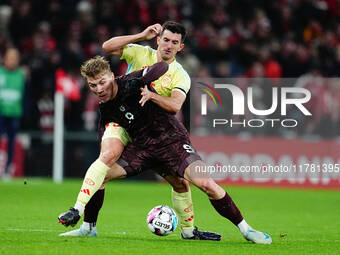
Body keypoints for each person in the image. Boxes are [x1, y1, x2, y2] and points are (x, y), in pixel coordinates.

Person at [58, 56, 272, 244]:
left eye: (102, 82)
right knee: (101, 175)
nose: (98, 89)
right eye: (93, 85)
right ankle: (88, 228)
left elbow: (162, 67)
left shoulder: (131, 83)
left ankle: (245, 230)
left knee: (204, 184)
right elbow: (104, 130)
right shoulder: (105, 106)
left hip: (171, 143)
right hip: (142, 150)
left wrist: (144, 76)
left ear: (112, 76)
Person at [60, 21, 220, 240]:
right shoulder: (140, 51)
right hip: (121, 119)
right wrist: (141, 34)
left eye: (174, 42)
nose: (169, 45)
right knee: (106, 158)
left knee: (180, 182)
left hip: (152, 130)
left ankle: (189, 231)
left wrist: (153, 96)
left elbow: (174, 107)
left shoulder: (180, 74)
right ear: (158, 40)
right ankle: (85, 222)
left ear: (180, 47)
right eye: (165, 40)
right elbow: (107, 47)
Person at [0, 48, 25, 180]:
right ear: (5, 58)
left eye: (15, 58)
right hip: (1, 112)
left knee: (11, 143)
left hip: (14, 113)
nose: (12, 61)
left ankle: (8, 169)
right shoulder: (0, 73)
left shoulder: (21, 75)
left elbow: (24, 96)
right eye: (10, 58)